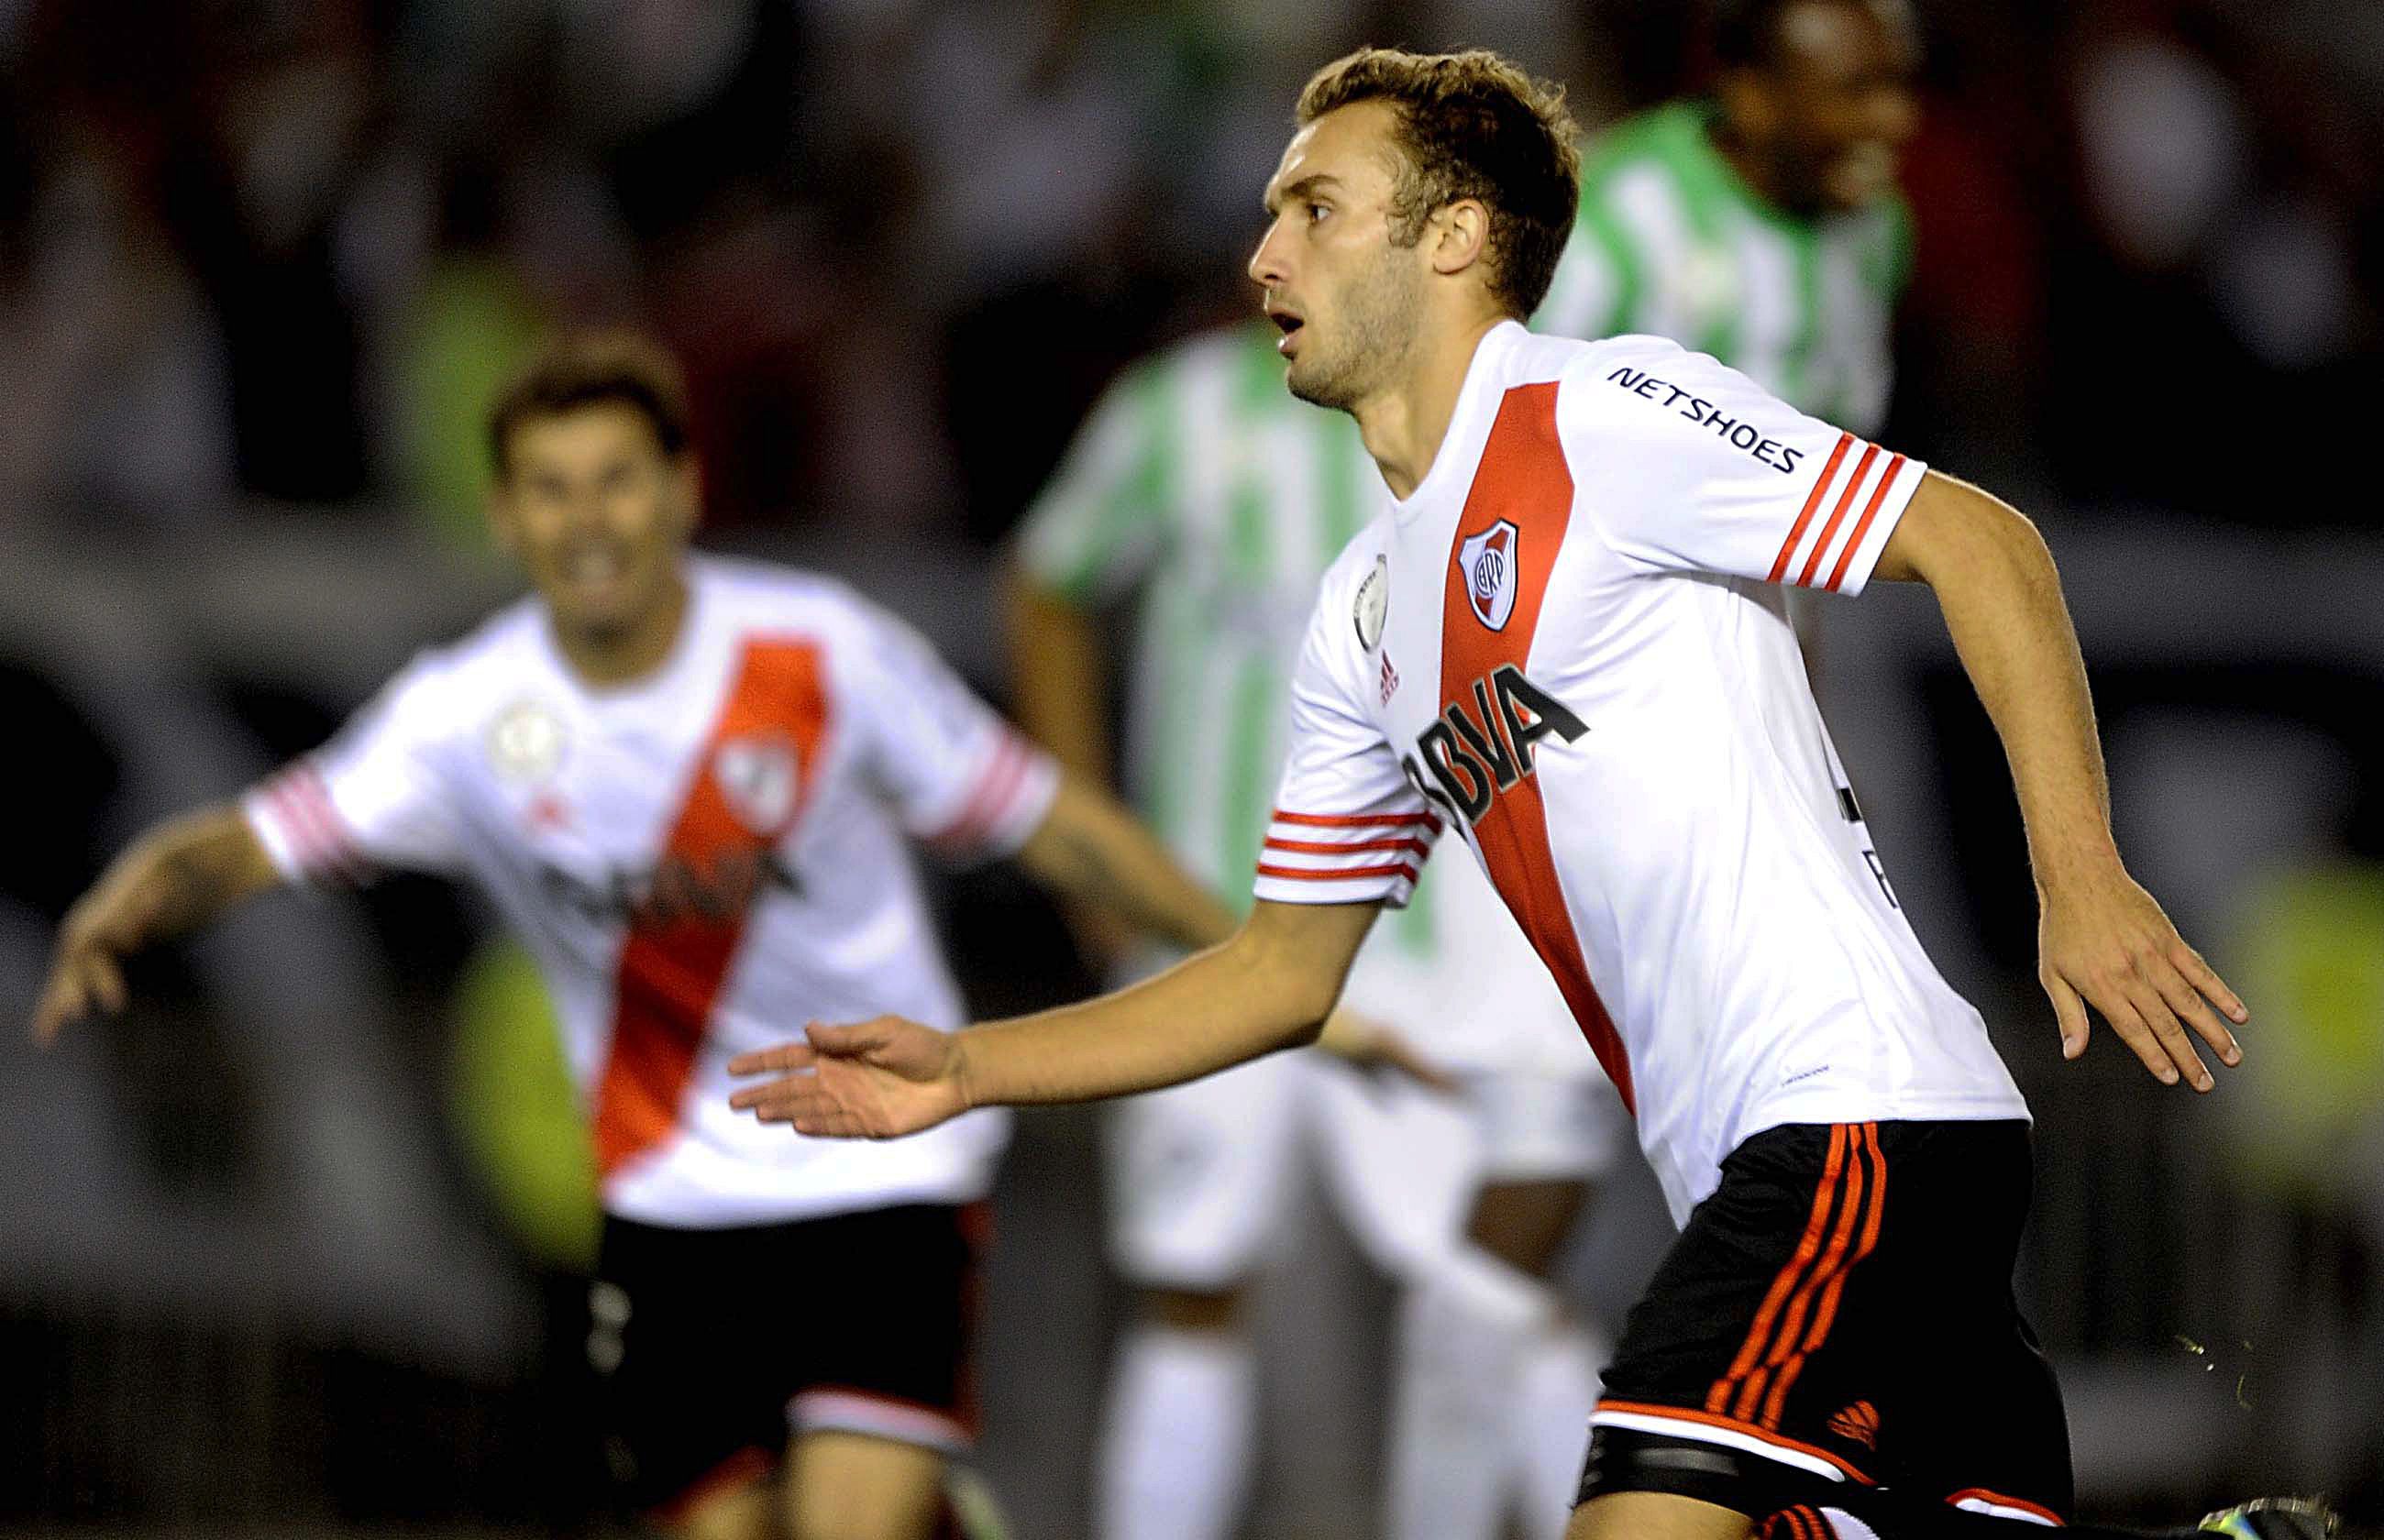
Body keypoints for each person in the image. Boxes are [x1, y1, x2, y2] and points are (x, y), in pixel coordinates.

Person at [725, 49, 2334, 1540]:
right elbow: (1280, 975)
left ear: (1455, 240)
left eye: (1315, 207)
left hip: (1852, 1123)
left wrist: (2082, 875)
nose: (1262, 258)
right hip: (1775, 1166)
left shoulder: (1607, 414)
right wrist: (963, 1068)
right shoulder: (1363, 615)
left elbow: (1975, 539)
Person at [30, 332, 1253, 1540]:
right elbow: (281, 840)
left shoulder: (808, 668)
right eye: (555, 495)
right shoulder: (487, 728)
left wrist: (1243, 953)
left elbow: (1018, 823)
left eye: (614, 487)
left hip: (834, 1175)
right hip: (611, 1204)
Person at [1007, 317, 1625, 1540]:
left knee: (1500, 1293)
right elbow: (1046, 582)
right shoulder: (1176, 409)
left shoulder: (1478, 405)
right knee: (1194, 1289)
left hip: (1425, 936)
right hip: (1210, 933)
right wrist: (1086, 833)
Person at [1537, 0, 1918, 436]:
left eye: (1898, 85)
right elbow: (1523, 412)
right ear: (1752, 97)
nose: (1897, 120)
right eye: (1856, 92)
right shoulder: (1617, 221)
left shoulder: (1878, 222)